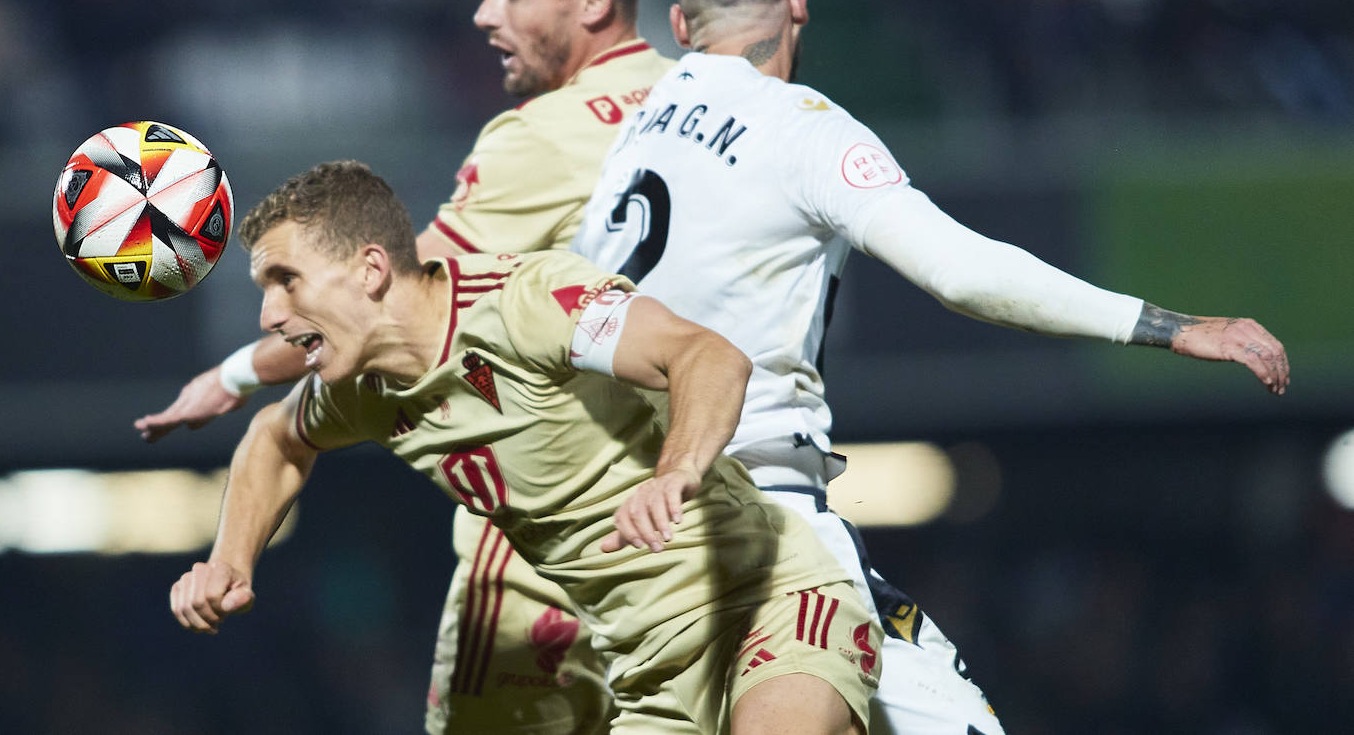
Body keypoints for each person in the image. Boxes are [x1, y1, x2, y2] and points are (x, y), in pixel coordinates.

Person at [568, 0, 1292, 735]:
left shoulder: (626, 137)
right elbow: (963, 271)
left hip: (632, 531)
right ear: (798, 2)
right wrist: (1169, 325)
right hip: (764, 527)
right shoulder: (802, 129)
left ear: (678, 22)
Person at [136, 0, 675, 734]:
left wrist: (238, 372)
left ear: (594, 0)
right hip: (737, 501)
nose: (481, 16)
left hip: (568, 530)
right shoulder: (723, 106)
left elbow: (386, 303)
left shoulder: (538, 140)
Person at [168, 160, 882, 735]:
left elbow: (707, 356)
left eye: (285, 282)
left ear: (370, 269)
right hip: (647, 671)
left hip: (765, 602)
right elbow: (274, 438)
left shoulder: (524, 304)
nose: (268, 314)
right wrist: (229, 561)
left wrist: (676, 472)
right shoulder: (363, 388)